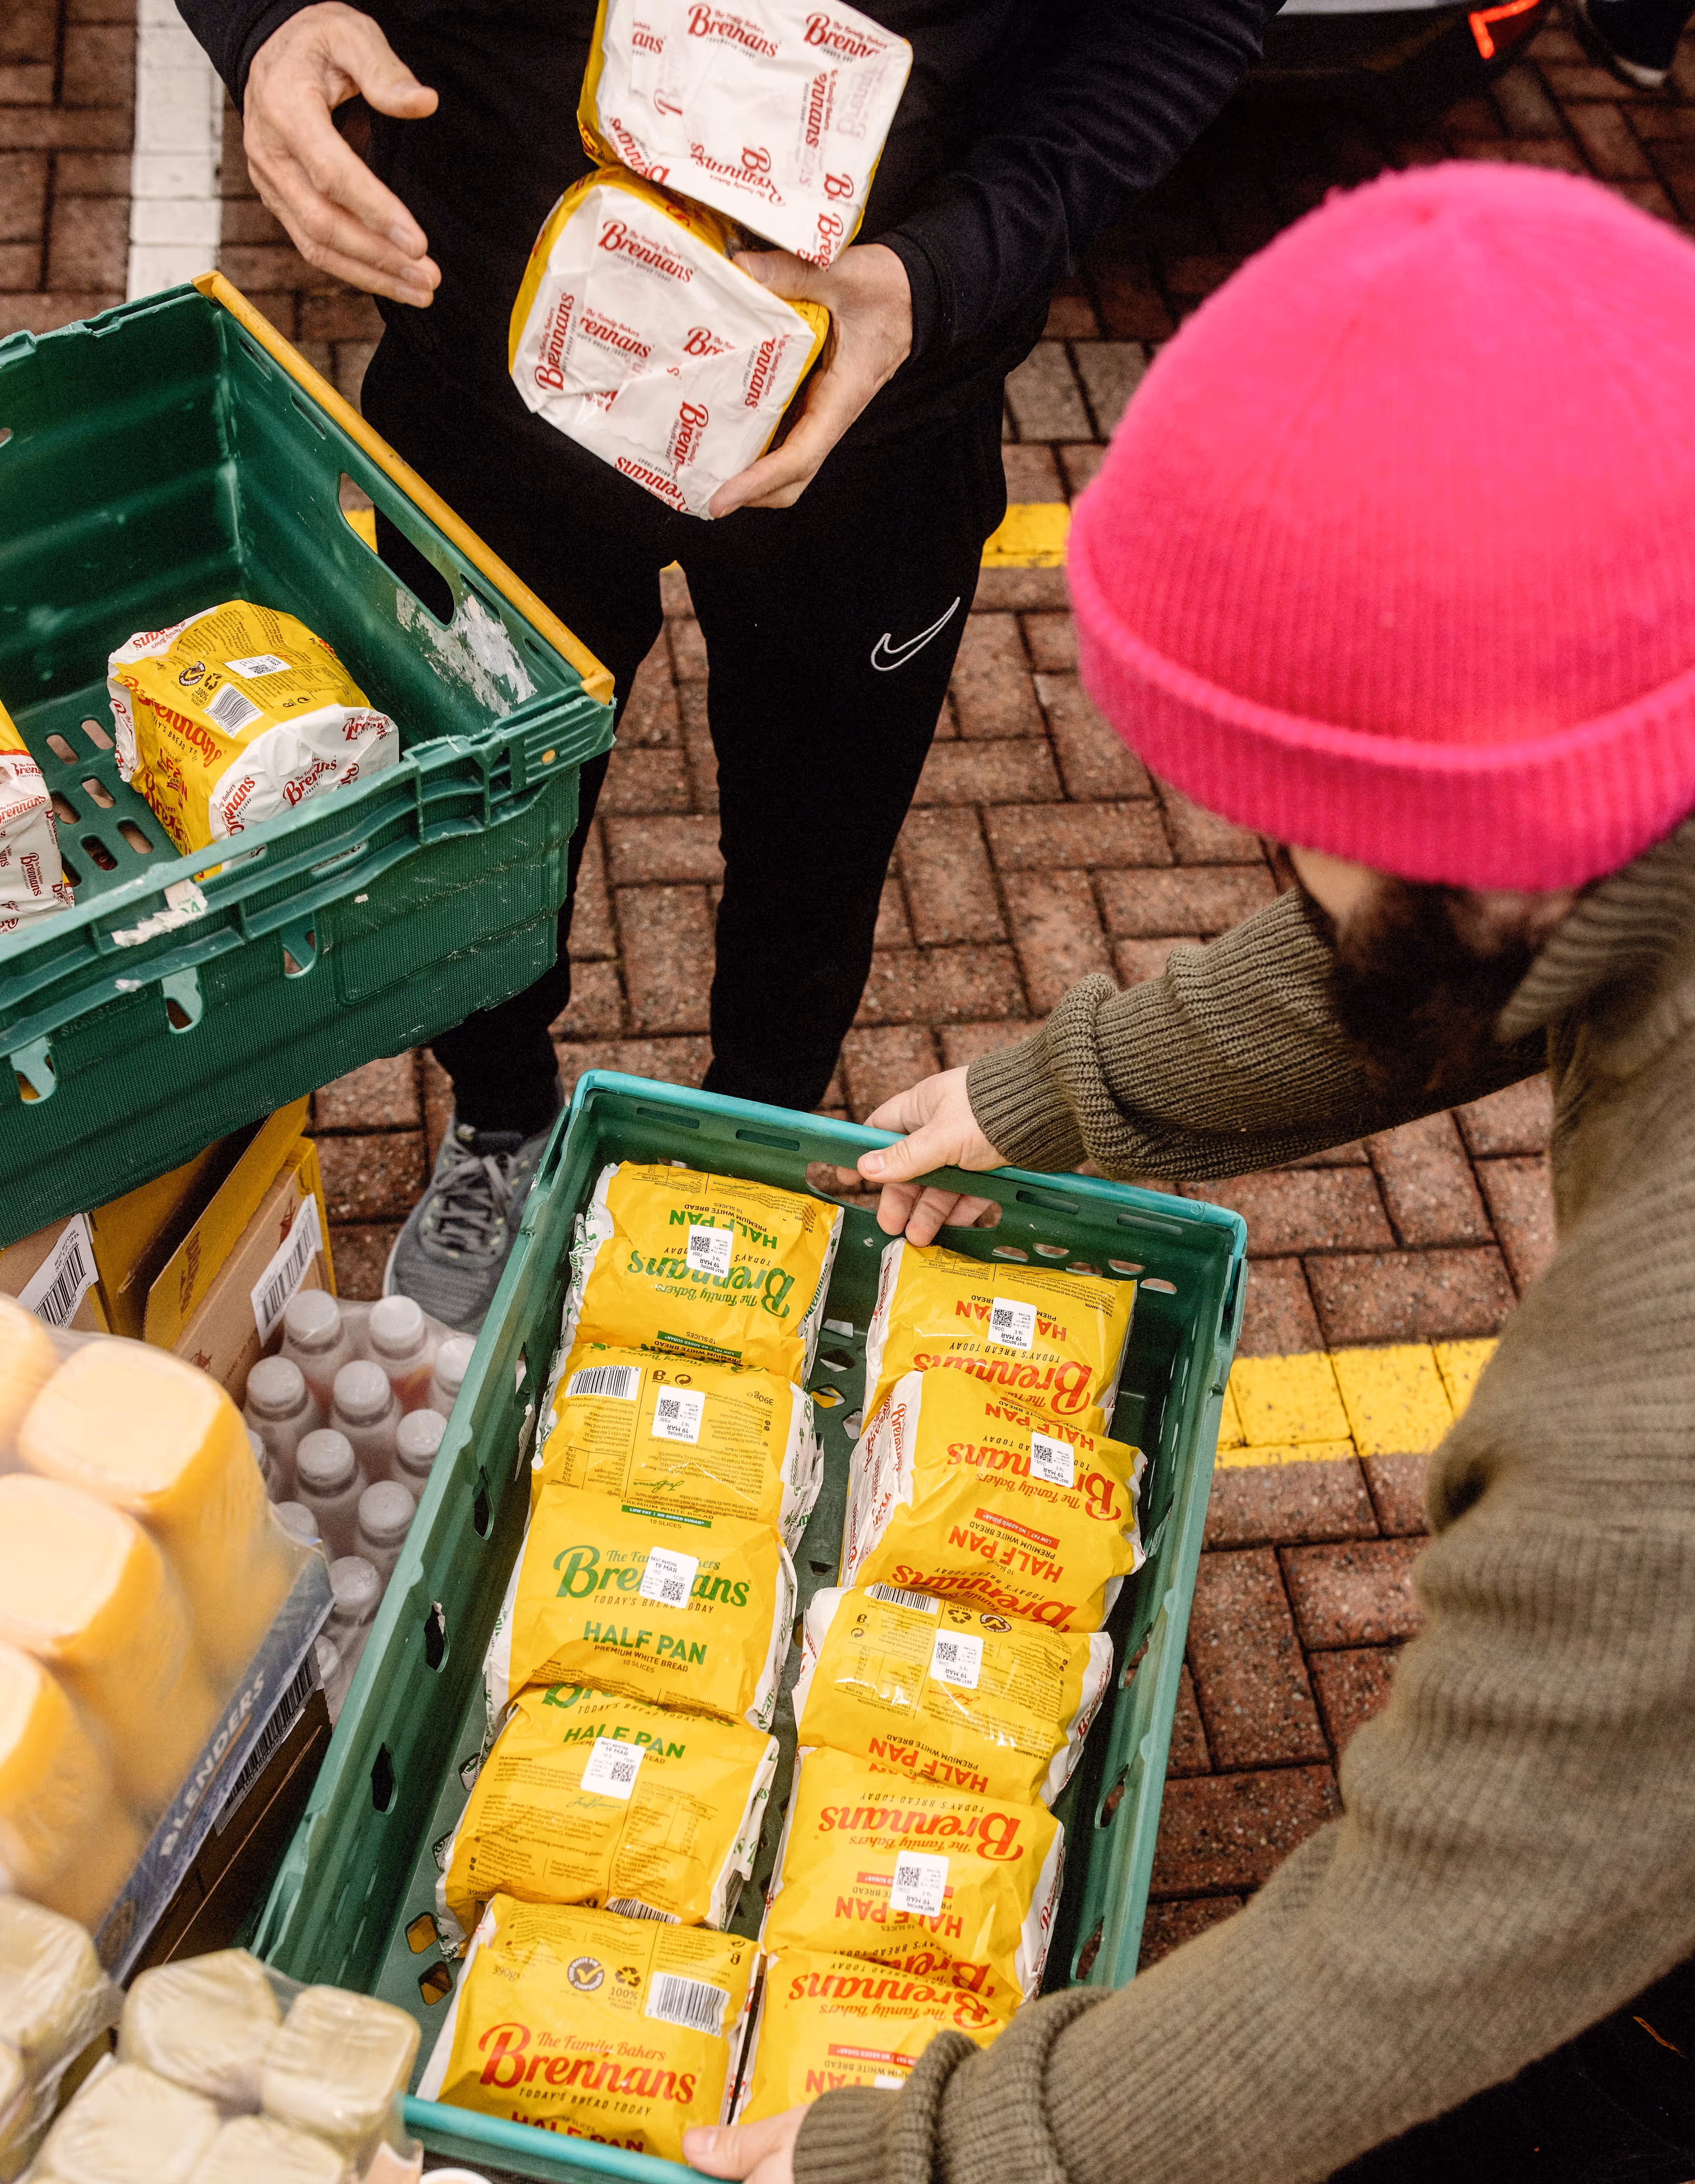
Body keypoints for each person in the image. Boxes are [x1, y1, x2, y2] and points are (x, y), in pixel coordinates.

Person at [665, 160, 1695, 2184]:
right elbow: (1460, 949)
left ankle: (1487, 2172)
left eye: (1293, 818)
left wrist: (955, 2181)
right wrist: (1074, 1091)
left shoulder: (1658, 1416)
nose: (1276, 870)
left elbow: (1479, 1898)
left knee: (1598, 1989)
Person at [179, 0, 1274, 1332]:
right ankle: (500, 1116)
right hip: (493, 346)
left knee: (820, 842)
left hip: (866, 408)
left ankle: (752, 1144)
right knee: (482, 818)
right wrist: (267, 25)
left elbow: (1186, 22)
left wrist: (942, 272)